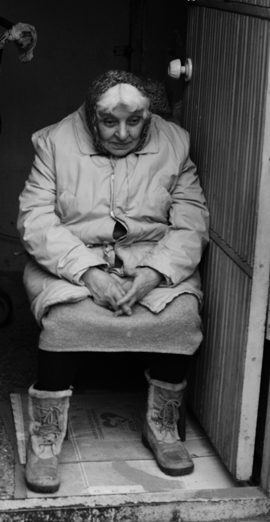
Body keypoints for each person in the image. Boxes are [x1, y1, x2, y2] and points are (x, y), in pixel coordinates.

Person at [16, 70, 209, 493]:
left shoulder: (175, 142)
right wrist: (89, 273)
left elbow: (190, 221)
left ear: (147, 117)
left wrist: (153, 273)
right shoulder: (53, 142)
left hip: (149, 258)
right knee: (66, 319)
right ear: (90, 116)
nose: (122, 133)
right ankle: (46, 437)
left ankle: (162, 426)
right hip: (70, 261)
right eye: (109, 122)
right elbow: (37, 220)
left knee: (179, 315)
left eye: (134, 121)